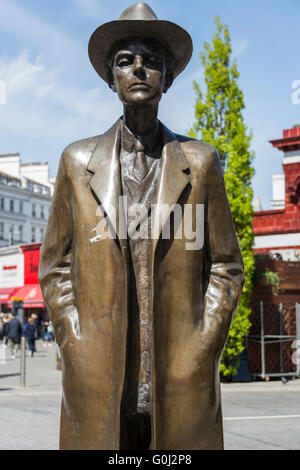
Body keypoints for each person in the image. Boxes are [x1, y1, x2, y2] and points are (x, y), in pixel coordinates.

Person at [39, 3, 244, 450]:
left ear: (167, 78)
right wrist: (73, 340)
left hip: (178, 372)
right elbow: (55, 267)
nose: (138, 70)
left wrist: (204, 341)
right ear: (110, 77)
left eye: (151, 61)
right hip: (100, 373)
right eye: (125, 61)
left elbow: (226, 265)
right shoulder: (77, 163)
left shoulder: (201, 162)